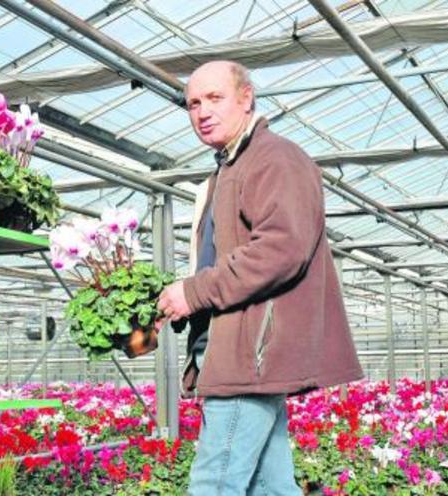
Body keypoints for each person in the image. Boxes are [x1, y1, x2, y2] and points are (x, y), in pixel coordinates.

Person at [156, 60, 363, 495]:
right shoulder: (228, 170)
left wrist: (193, 292)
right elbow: (222, 260)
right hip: (239, 349)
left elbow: (281, 250)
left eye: (215, 98)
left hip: (250, 354)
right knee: (271, 487)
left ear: (246, 98)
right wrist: (179, 303)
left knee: (214, 484)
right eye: (193, 103)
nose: (202, 112)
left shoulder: (275, 159)